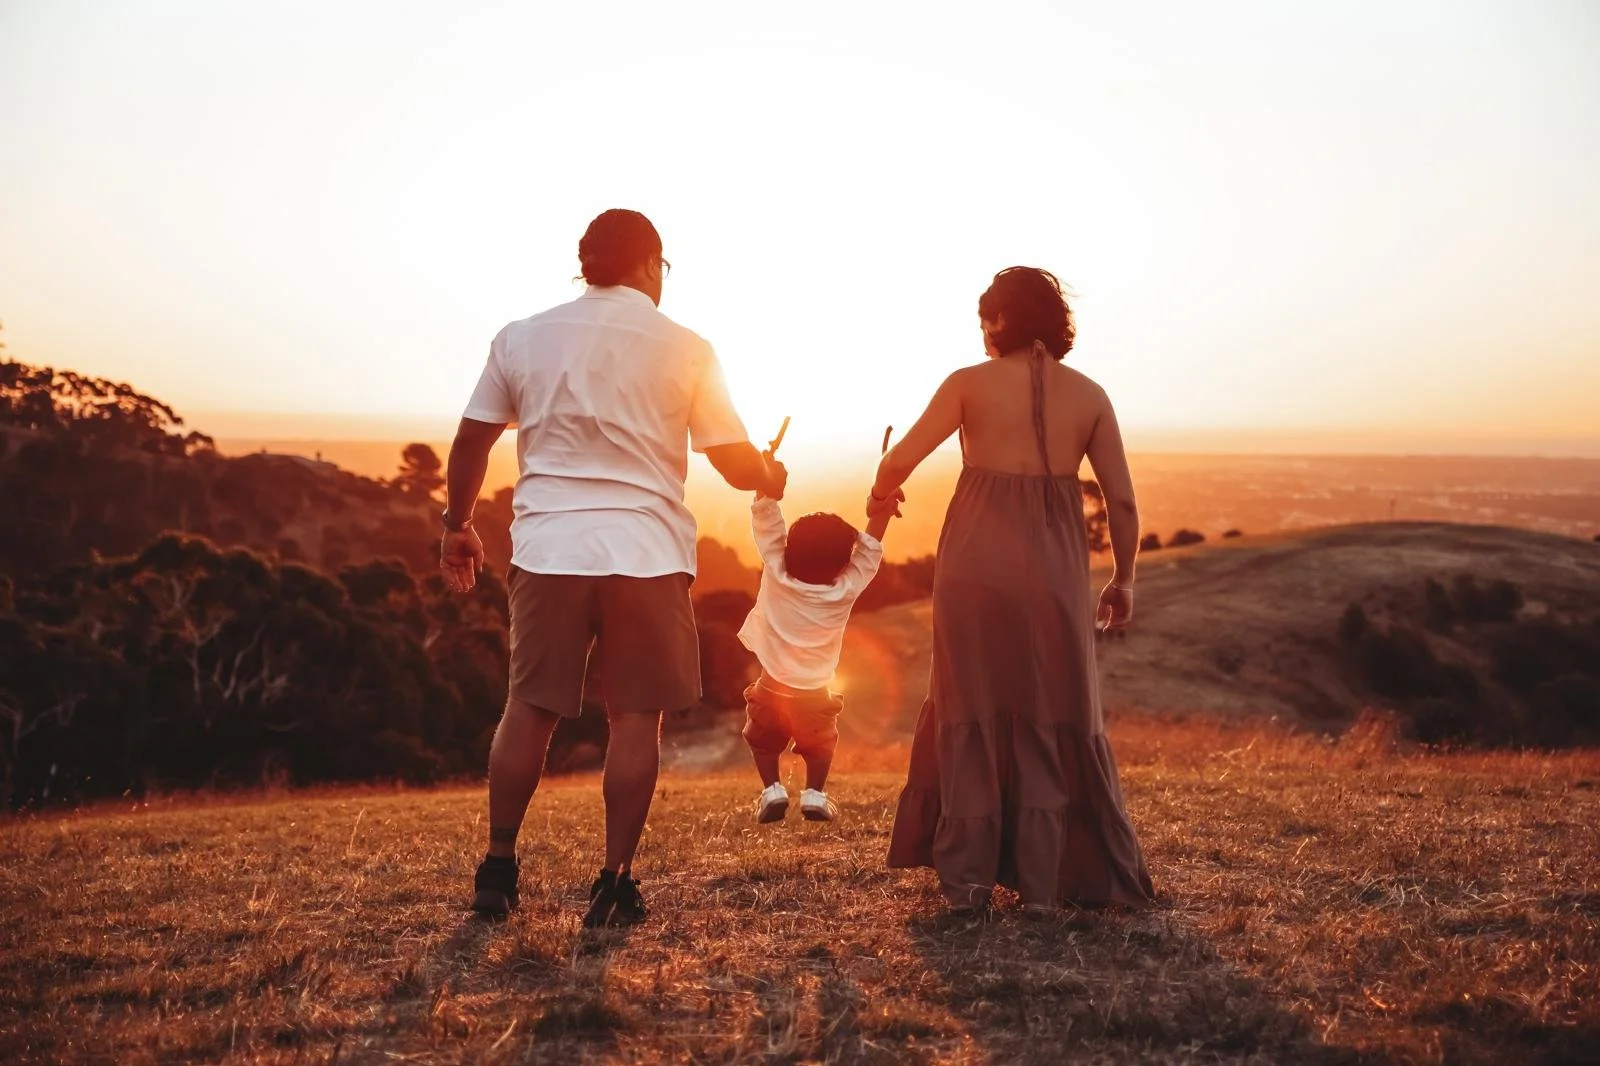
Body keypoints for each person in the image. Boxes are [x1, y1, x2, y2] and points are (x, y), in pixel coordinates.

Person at [440, 209, 787, 926]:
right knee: (636, 720)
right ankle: (613, 880)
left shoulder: (522, 337)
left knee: (528, 710)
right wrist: (769, 476)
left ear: (586, 263)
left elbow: (472, 439)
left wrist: (458, 526)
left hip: (547, 550)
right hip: (647, 553)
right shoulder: (687, 346)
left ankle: (498, 869)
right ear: (651, 264)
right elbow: (730, 459)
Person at [878, 266, 1155, 913]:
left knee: (968, 701)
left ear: (1002, 320)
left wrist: (880, 495)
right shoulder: (1090, 396)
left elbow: (900, 460)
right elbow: (1123, 501)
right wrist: (1125, 578)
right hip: (1054, 573)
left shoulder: (968, 385)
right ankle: (1044, 880)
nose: (982, 333)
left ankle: (969, 883)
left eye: (986, 319)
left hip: (972, 565)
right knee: (1055, 706)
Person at [736, 484, 901, 824]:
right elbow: (869, 551)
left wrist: (765, 486)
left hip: (772, 686)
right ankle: (815, 793)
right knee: (821, 744)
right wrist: (882, 512)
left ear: (789, 550)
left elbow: (767, 525)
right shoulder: (845, 588)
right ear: (843, 563)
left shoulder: (777, 572)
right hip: (814, 692)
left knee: (762, 742)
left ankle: (772, 790)